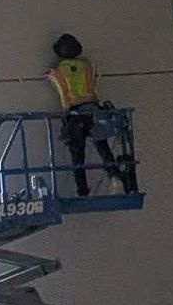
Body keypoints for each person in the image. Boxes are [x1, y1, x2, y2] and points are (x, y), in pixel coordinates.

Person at [46, 33, 135, 197]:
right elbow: (93, 86)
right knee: (103, 146)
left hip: (75, 114)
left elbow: (64, 95)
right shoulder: (87, 66)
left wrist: (51, 76)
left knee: (77, 155)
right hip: (93, 110)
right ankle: (115, 177)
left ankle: (82, 191)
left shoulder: (60, 70)